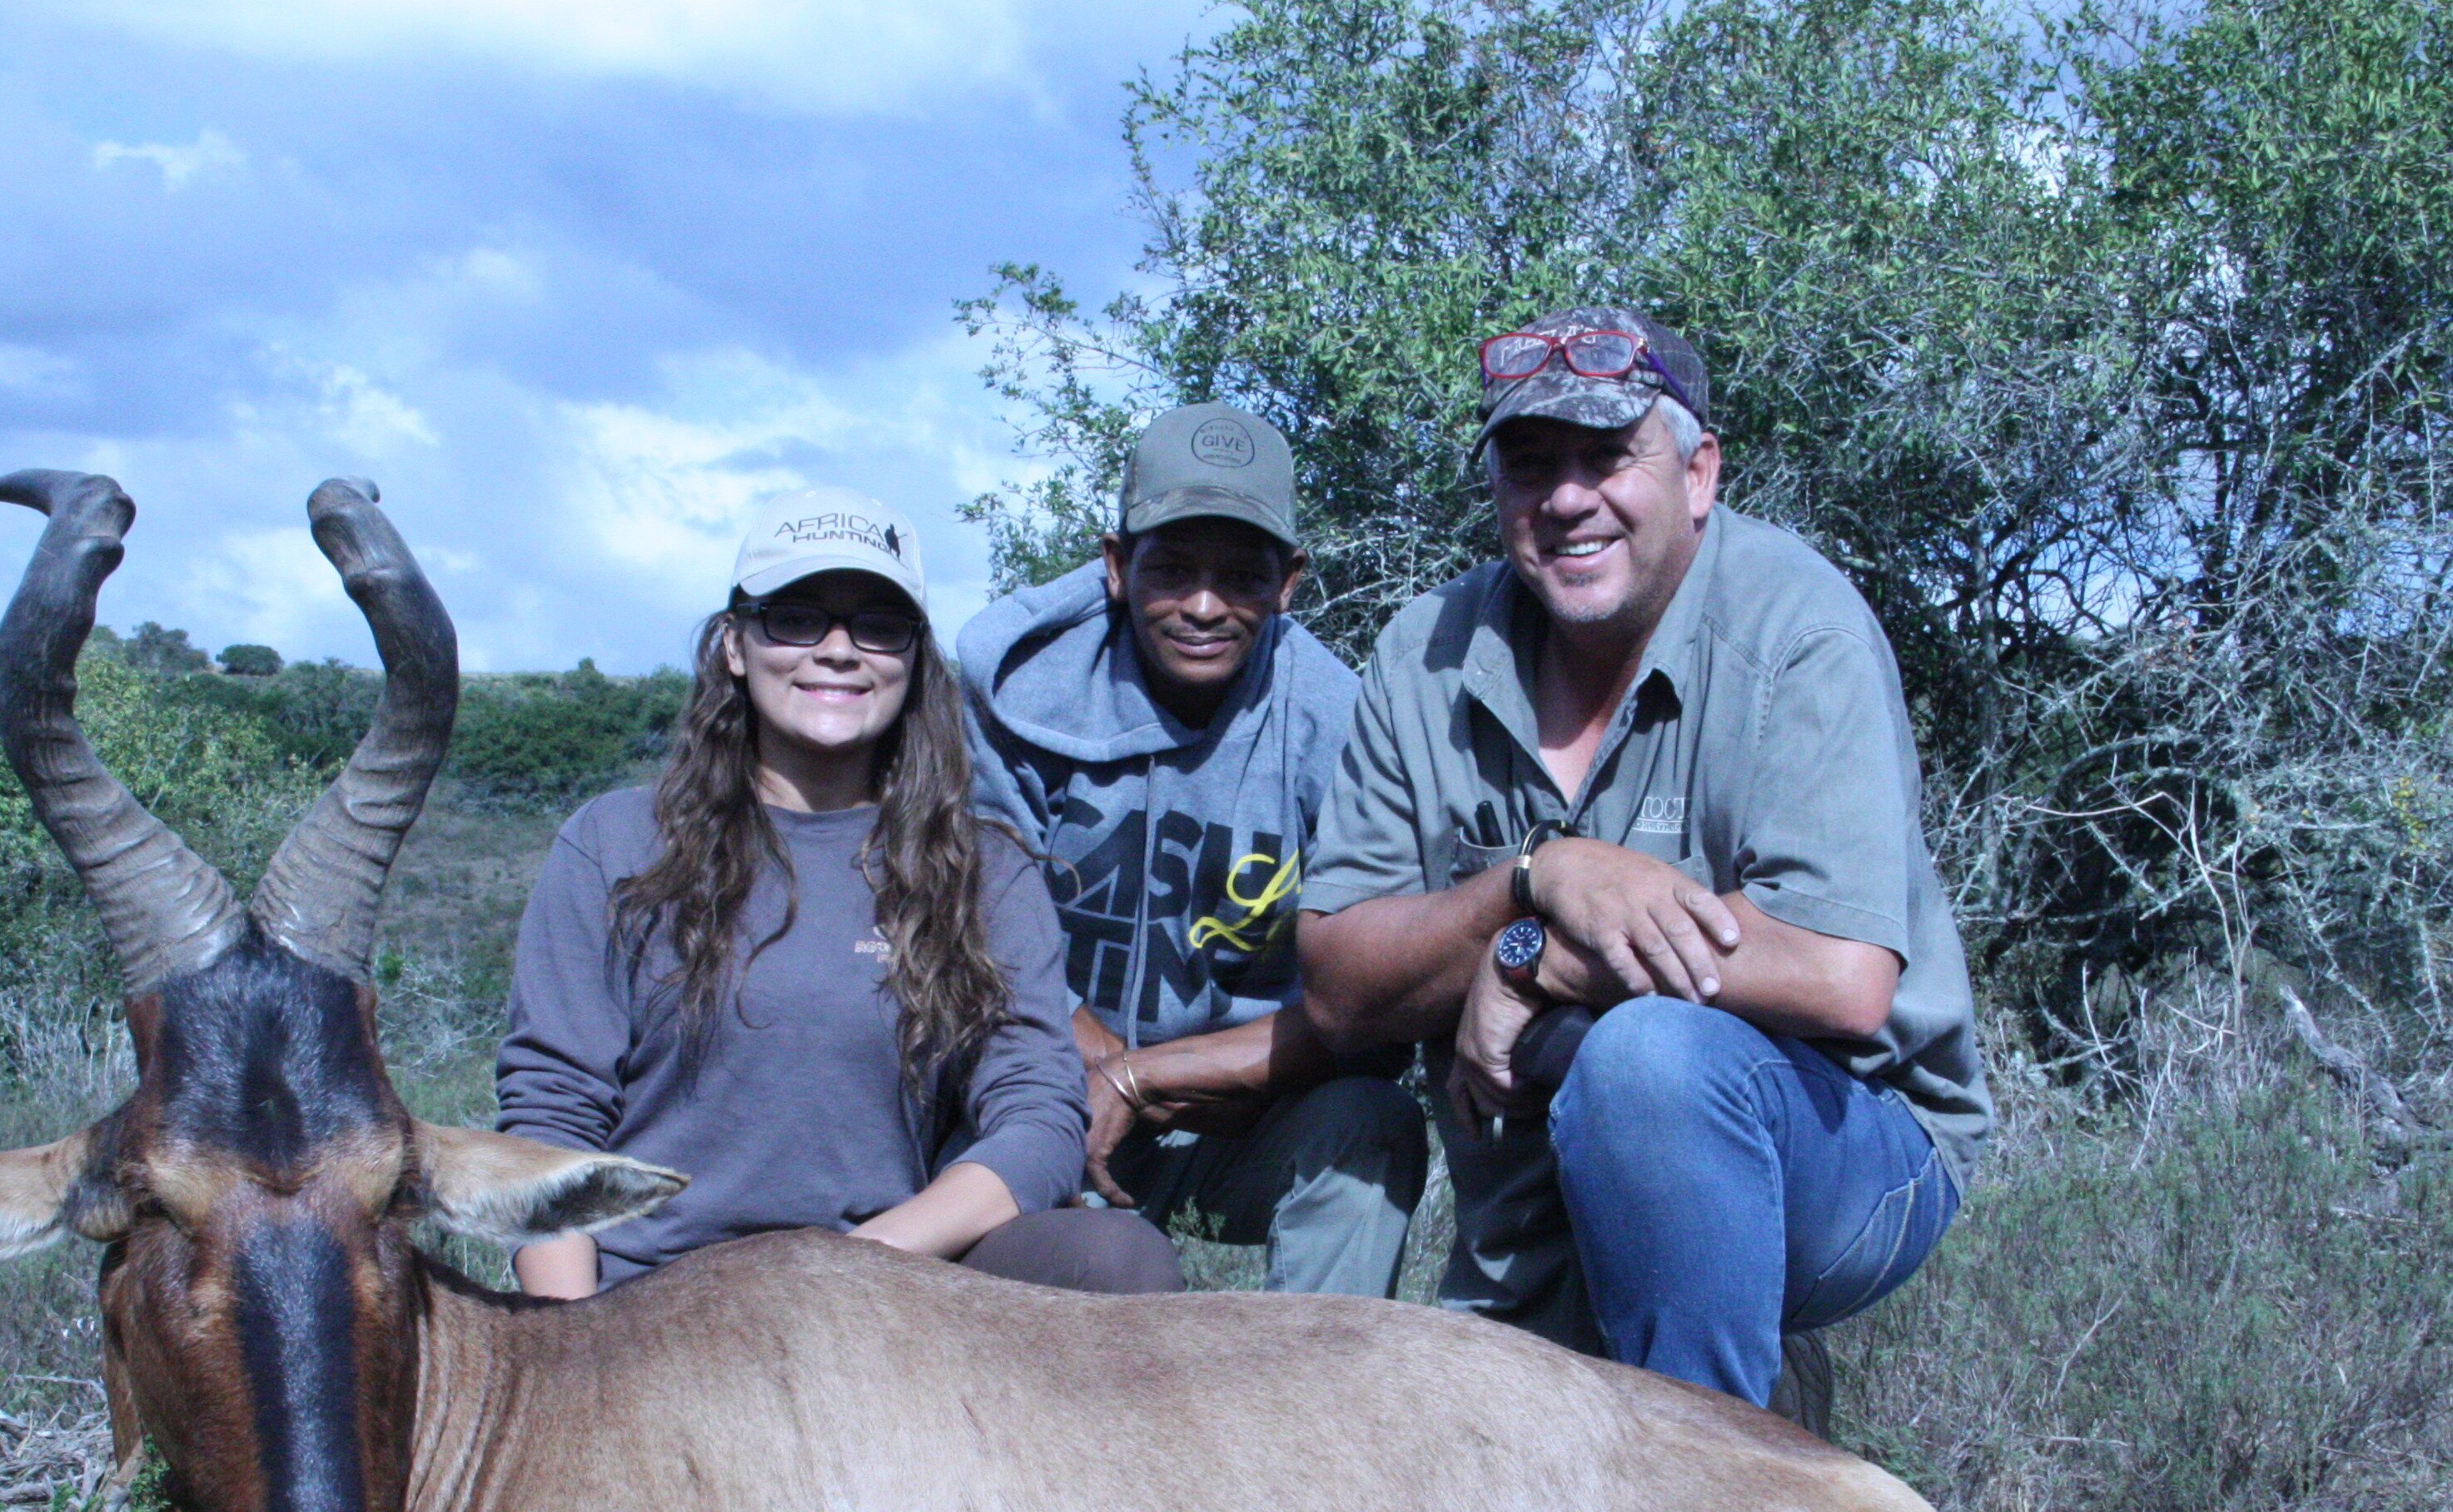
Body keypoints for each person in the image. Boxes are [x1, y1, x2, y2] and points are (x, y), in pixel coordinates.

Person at [1296, 308, 1989, 1416]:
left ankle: (1710, 1491)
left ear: (1700, 472)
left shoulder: (1795, 622)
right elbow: (1335, 987)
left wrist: (1535, 964)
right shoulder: (1420, 651)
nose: (1567, 498)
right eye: (1530, 465)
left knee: (1648, 1064)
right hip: (1534, 1200)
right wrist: (1536, 875)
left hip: (1854, 1146)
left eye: (1608, 456)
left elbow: (1839, 977)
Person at [497, 486, 1179, 1300]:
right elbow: (551, 1116)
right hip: (654, 1306)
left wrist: (837, 1271)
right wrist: (572, 1350)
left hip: (885, 1288)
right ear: (734, 645)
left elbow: (1039, 1122)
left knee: (1115, 1258)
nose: (837, 649)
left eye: (877, 625)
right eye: (796, 617)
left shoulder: (985, 869)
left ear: (914, 660)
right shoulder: (613, 843)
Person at [956, 404, 1426, 1296]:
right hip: (1035, 1091)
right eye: (1171, 568)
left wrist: (1140, 1077)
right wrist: (1081, 1054)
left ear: (1288, 581)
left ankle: (1314, 1411)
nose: (1204, 606)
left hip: (1231, 1114)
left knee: (1373, 1124)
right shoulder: (1014, 685)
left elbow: (1361, 1012)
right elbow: (971, 915)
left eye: (1241, 576)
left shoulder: (1344, 727)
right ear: (1116, 564)